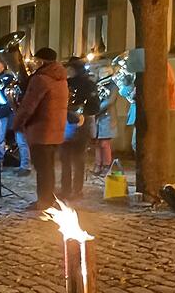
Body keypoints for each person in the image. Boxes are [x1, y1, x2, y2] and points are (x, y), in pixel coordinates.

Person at [14, 47, 68, 210]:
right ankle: (48, 197)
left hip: (41, 130)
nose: (34, 64)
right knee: (48, 167)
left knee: (42, 168)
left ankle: (44, 201)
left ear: (43, 61)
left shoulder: (41, 79)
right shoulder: (61, 78)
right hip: (55, 129)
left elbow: (29, 105)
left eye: (37, 60)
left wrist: (17, 123)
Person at [60, 57, 98, 200]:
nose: (68, 70)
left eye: (70, 68)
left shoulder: (88, 84)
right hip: (66, 121)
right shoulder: (66, 83)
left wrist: (81, 114)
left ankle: (76, 189)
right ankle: (67, 188)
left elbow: (94, 105)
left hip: (81, 123)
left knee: (78, 158)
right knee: (66, 158)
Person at [93, 66, 118, 175]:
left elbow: (110, 101)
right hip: (98, 117)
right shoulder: (98, 84)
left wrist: (97, 109)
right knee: (97, 143)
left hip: (107, 116)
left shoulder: (113, 86)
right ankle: (98, 164)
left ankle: (107, 165)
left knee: (104, 143)